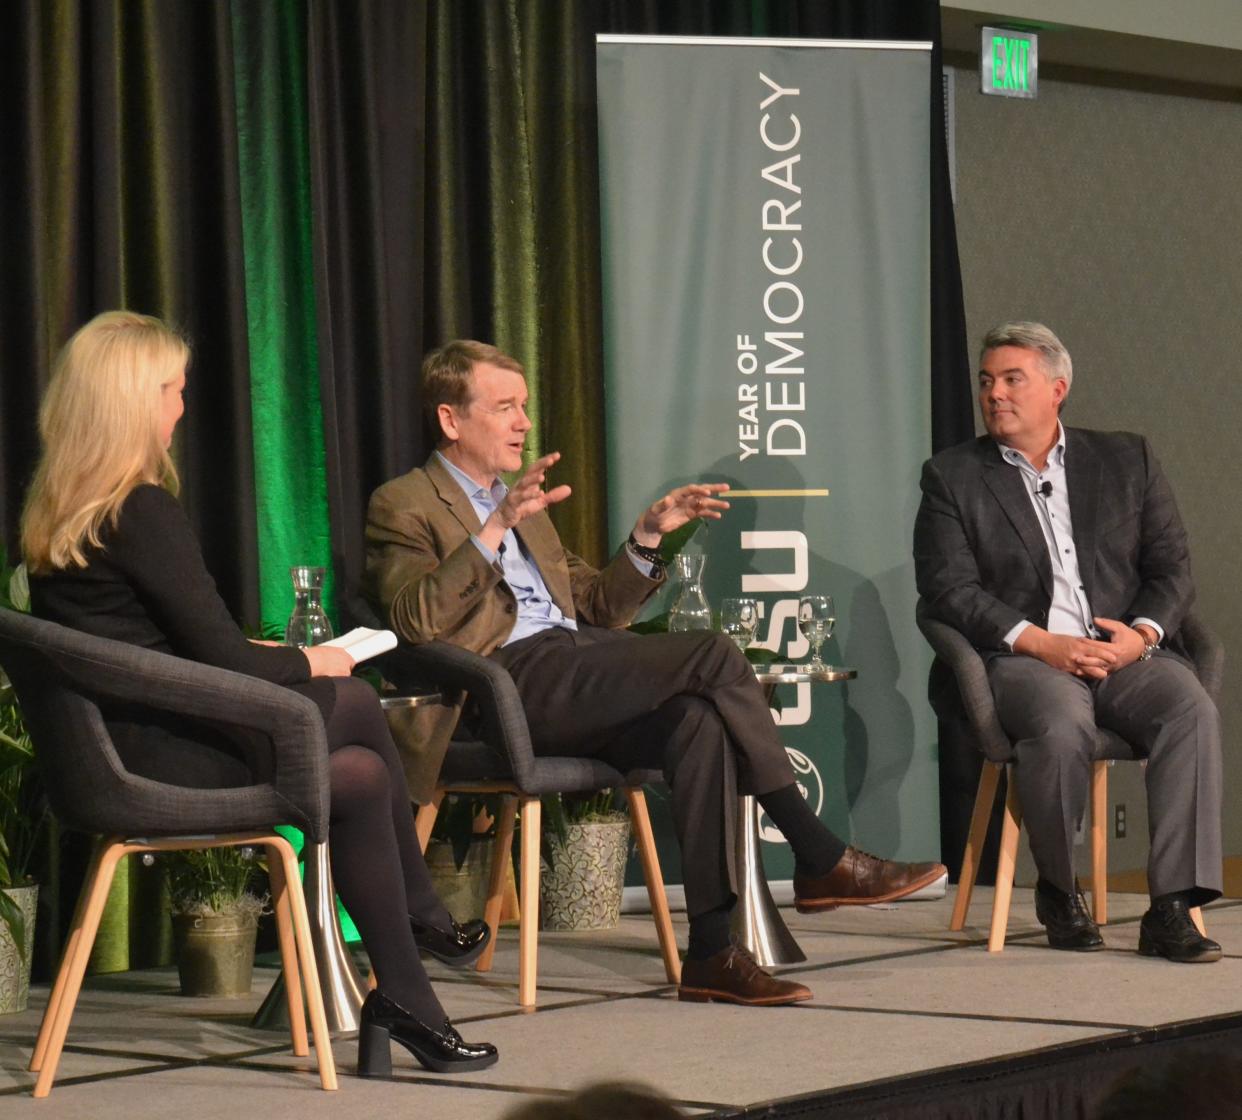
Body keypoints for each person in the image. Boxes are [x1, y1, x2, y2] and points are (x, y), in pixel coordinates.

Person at [365, 339, 947, 1007]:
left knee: (695, 723)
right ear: (450, 419)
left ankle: (710, 953)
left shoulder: (520, 501)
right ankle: (818, 854)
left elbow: (595, 607)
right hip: (499, 689)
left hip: (573, 667)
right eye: (505, 408)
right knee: (712, 653)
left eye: (524, 407)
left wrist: (646, 538)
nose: (524, 422)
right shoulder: (405, 503)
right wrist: (492, 529)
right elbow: (413, 621)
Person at [22, 310, 497, 1076]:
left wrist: (284, 658)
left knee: (363, 774)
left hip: (113, 750)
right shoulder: (139, 509)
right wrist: (315, 661)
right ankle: (419, 932)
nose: (181, 407)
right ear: (134, 402)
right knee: (356, 703)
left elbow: (162, 650)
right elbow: (214, 657)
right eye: (173, 390)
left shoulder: (63, 510)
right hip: (159, 763)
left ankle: (408, 984)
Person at [914, 321, 1222, 962]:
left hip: (1120, 650)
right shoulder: (953, 476)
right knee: (1060, 722)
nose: (994, 393)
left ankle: (1170, 907)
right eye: (986, 381)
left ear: (1057, 389)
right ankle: (1059, 885)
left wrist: (1140, 637)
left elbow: (1172, 569)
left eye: (1011, 379)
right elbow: (948, 589)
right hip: (1023, 657)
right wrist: (1040, 643)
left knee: (1189, 706)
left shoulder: (1125, 458)